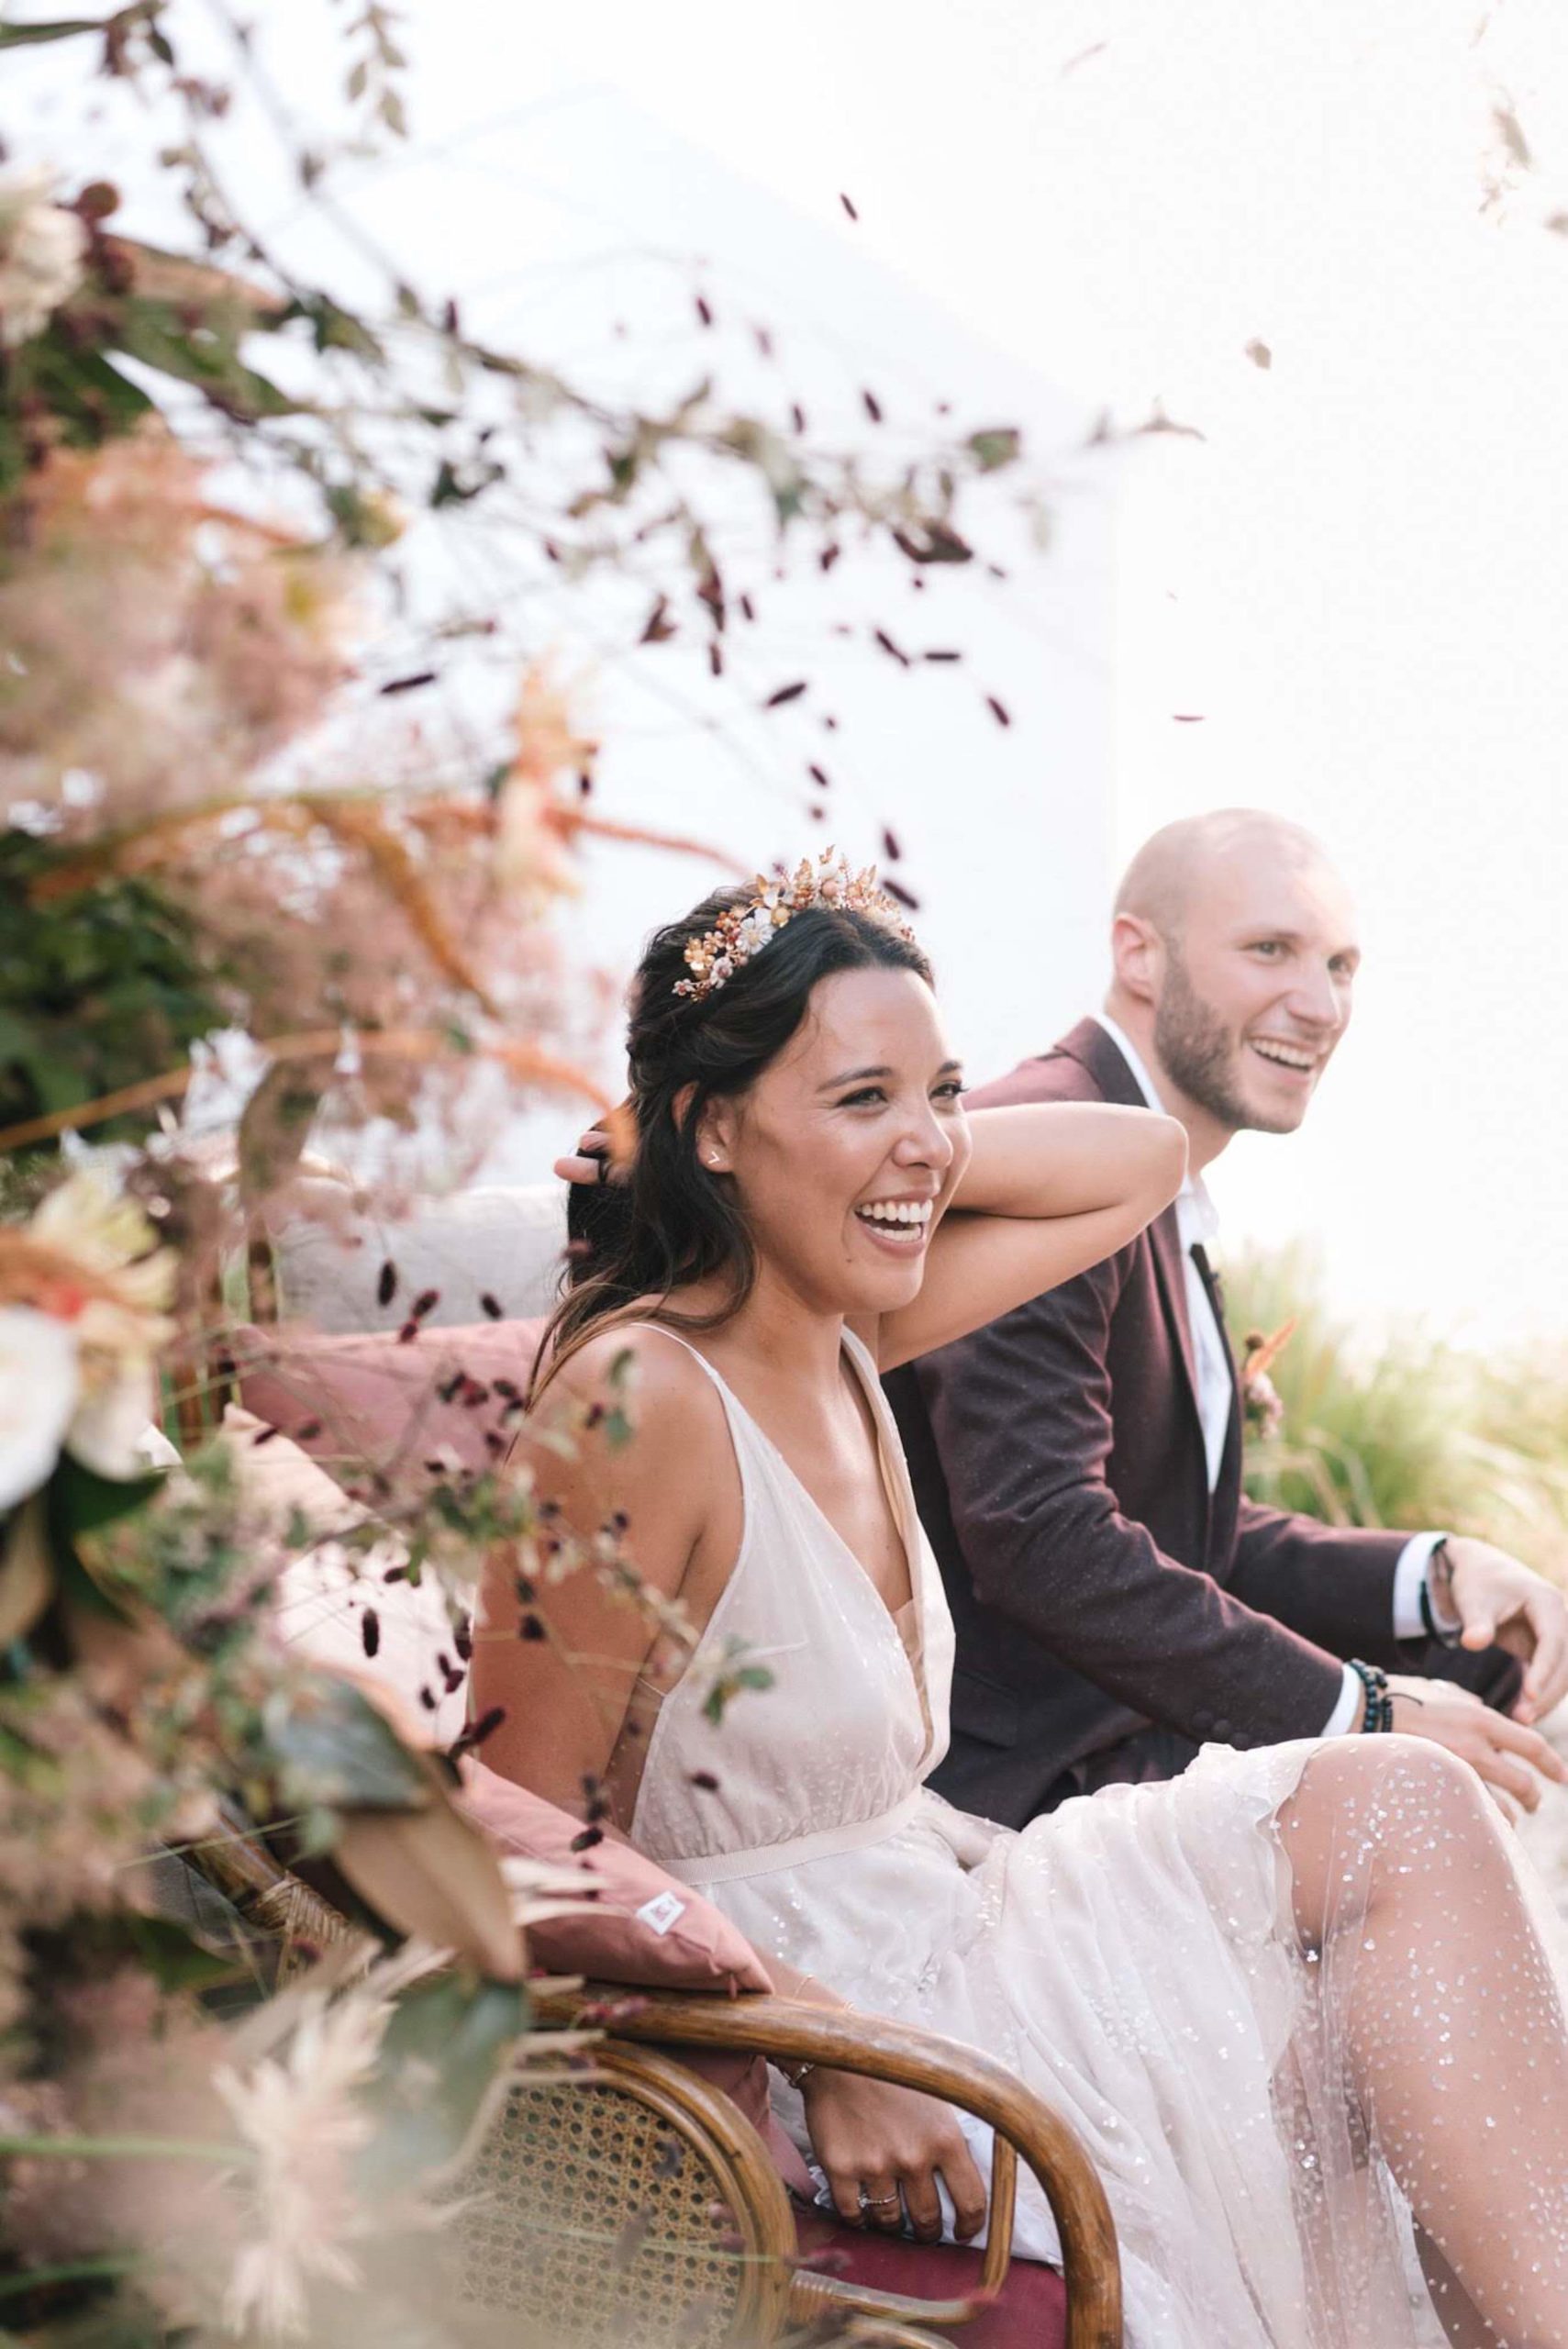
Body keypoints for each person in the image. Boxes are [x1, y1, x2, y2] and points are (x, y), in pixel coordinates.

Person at [478, 852, 1568, 2348]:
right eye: (859, 1095)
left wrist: (880, 1156)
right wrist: (821, 2036)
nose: (926, 1141)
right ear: (713, 1125)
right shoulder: (638, 1396)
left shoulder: (844, 1330)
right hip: (829, 1994)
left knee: (1404, 1832)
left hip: (958, 1902)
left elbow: (1131, 1158)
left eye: (939, 1091)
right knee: (1387, 1835)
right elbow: (511, 1831)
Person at [885, 809, 1568, 1826]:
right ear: (1137, 954)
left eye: (1340, 965)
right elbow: (1042, 1535)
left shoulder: (1154, 1174)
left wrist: (1436, 1571)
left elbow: (1184, 1535)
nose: (1320, 1002)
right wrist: (1365, 1712)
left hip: (1125, 1745)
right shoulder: (1042, 1149)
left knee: (1496, 1686)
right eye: (1269, 951)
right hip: (1019, 1788)